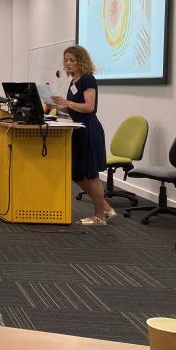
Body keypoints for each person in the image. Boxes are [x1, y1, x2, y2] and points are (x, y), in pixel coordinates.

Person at [51, 45, 112, 225]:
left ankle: (99, 217)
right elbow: (72, 106)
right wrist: (58, 106)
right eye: (66, 60)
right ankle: (106, 207)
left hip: (89, 130)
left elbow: (89, 107)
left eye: (72, 60)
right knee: (76, 173)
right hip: (78, 129)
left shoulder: (87, 79)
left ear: (81, 61)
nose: (68, 63)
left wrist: (67, 103)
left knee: (92, 175)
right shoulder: (73, 81)